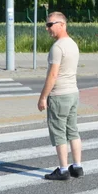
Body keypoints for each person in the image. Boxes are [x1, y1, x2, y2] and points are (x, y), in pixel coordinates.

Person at [38, 12, 82, 181]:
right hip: (73, 93)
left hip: (59, 95)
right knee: (73, 130)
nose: (47, 28)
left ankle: (63, 169)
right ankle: (77, 167)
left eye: (50, 24)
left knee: (59, 133)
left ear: (62, 24)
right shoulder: (73, 44)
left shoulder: (57, 47)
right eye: (47, 24)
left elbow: (53, 75)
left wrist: (43, 97)